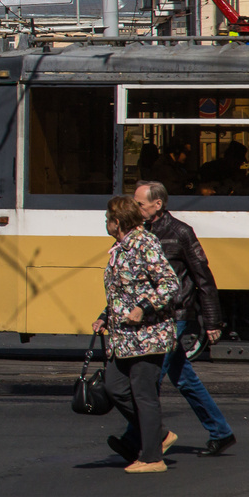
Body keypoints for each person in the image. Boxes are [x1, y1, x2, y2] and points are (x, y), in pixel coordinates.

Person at [112, 181, 237, 460]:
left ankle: (137, 440)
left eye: (140, 204)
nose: (135, 207)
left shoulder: (181, 232)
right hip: (150, 318)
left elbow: (203, 278)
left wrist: (212, 321)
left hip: (175, 316)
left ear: (158, 204)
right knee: (183, 378)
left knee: (149, 380)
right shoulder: (139, 232)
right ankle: (221, 431)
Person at [94, 195, 180, 474]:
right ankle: (160, 434)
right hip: (124, 337)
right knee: (114, 386)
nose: (105, 223)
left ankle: (153, 458)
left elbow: (169, 284)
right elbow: (123, 290)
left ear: (117, 222)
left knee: (144, 396)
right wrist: (105, 315)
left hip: (148, 335)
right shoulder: (121, 247)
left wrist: (144, 307)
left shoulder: (145, 243)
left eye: (108, 218)